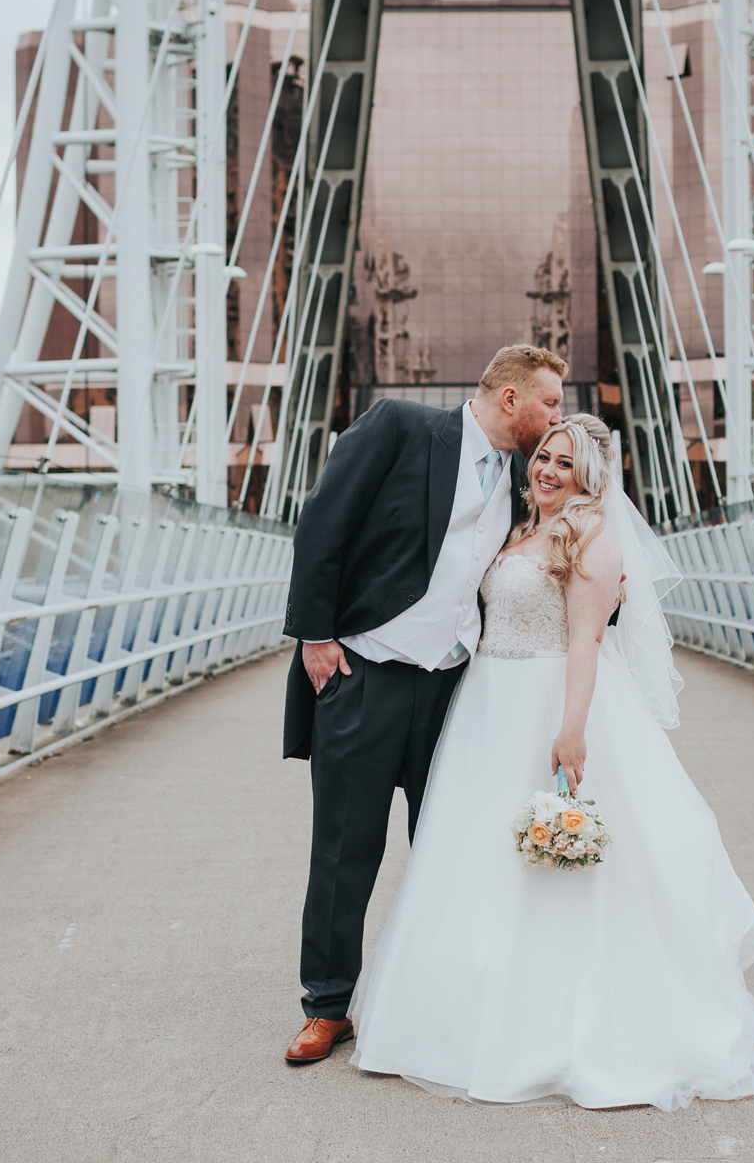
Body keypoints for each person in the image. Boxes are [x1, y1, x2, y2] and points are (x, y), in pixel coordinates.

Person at [346, 414, 754, 1110]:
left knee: (560, 867)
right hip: (488, 705)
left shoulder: (590, 533)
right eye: (545, 458)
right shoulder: (517, 531)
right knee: (477, 856)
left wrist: (572, 729)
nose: (549, 471)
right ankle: (457, 1011)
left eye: (566, 464)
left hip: (551, 703)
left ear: (589, 477)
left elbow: (585, 640)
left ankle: (561, 1025)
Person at [280, 345, 567, 1064]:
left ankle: (445, 994)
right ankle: (327, 1006)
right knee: (347, 849)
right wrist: (316, 637)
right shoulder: (400, 427)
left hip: (453, 689)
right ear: (510, 400)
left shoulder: (520, 480)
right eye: (550, 403)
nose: (557, 418)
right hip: (365, 675)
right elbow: (321, 523)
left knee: (451, 846)